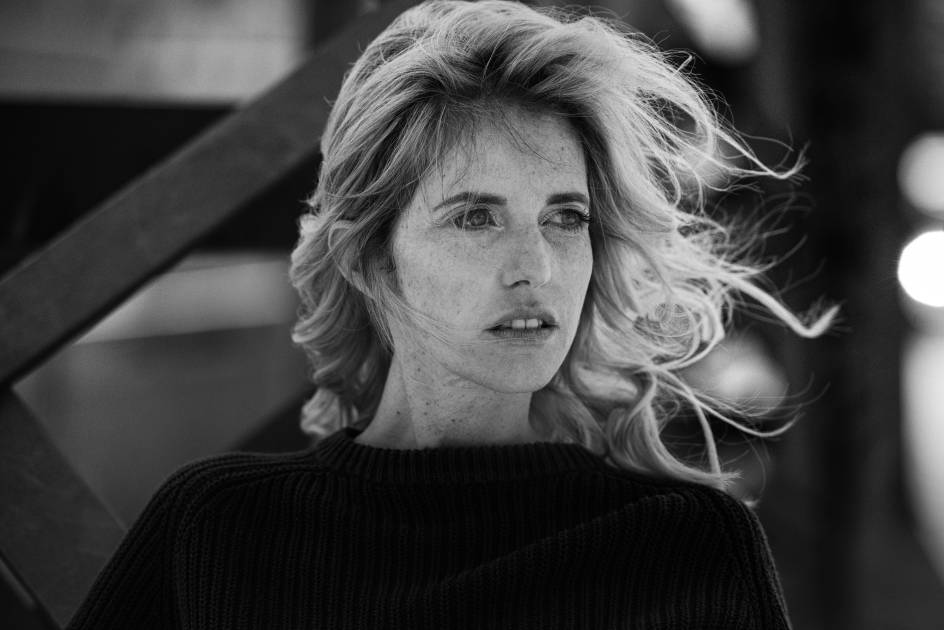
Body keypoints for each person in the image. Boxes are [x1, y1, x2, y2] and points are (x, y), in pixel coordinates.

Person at [67, 1, 836, 628]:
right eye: (476, 217)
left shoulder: (687, 548)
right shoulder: (216, 529)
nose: (536, 266)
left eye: (565, 218)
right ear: (371, 258)